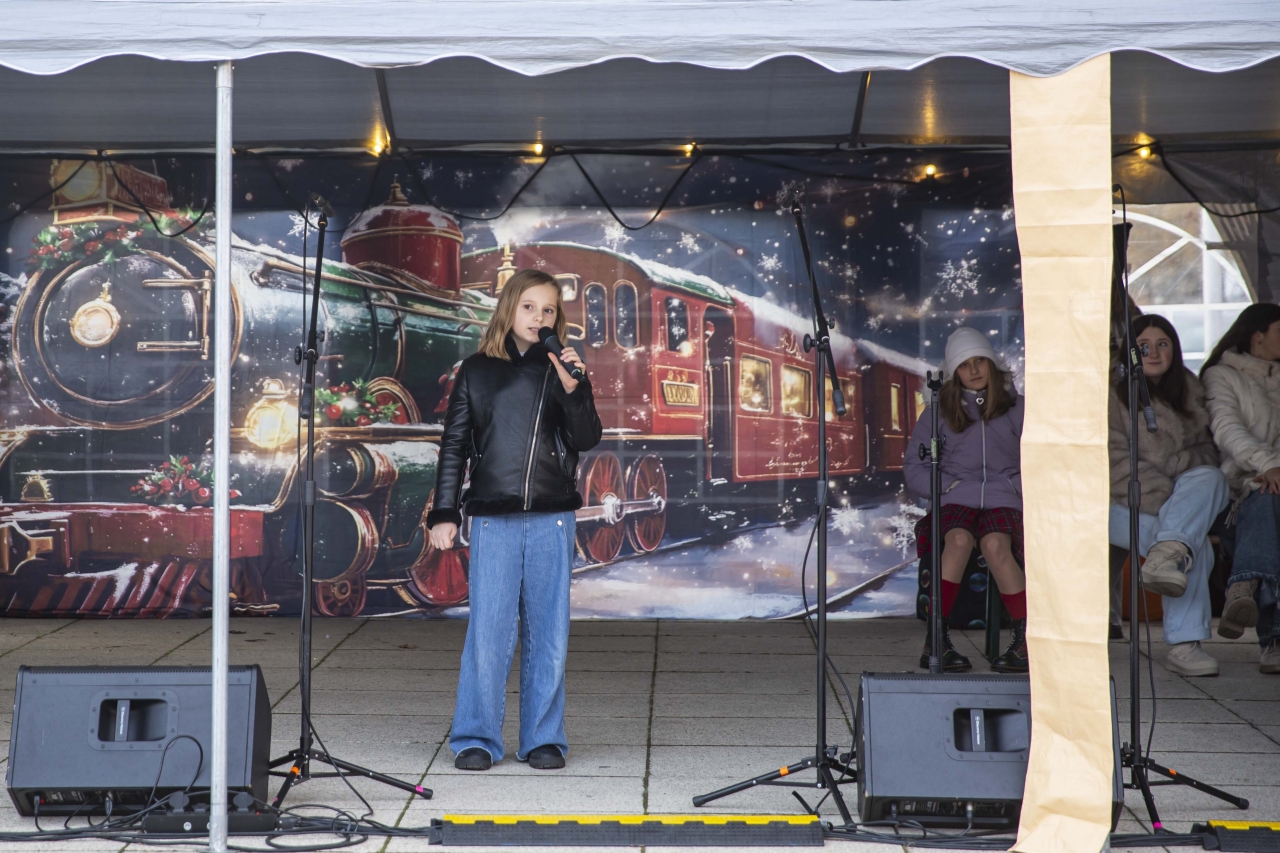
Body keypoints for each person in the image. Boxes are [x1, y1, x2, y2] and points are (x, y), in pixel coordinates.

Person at [426, 269, 603, 770]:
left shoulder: (563, 369)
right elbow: (454, 445)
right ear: (509, 308)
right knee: (489, 634)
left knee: (549, 635)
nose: (538, 317)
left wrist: (574, 388)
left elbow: (587, 438)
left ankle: (543, 737)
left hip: (552, 518)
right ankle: (475, 737)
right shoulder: (477, 370)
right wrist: (444, 511)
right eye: (529, 307)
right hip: (494, 519)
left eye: (548, 310)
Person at [1108, 315, 1226, 677]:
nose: (1155, 353)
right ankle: (1185, 645)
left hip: (1177, 503)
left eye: (1163, 344)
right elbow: (1112, 461)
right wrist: (1171, 498)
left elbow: (1207, 452)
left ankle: (1165, 555)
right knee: (1193, 545)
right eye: (1144, 346)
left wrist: (1180, 491)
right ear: (1130, 351)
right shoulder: (1109, 393)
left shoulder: (1190, 390)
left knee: (1212, 477)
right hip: (1118, 503)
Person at [905, 326, 1027, 673]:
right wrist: (946, 486)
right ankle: (936, 640)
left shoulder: (1019, 408)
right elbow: (914, 466)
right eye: (964, 365)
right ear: (953, 373)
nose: (973, 370)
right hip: (956, 496)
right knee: (958, 540)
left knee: (996, 545)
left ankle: (1025, 641)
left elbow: (1041, 458)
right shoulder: (937, 412)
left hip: (1004, 496)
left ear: (992, 364)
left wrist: (1018, 487)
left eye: (979, 361)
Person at [1201, 302, 1280, 674]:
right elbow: (1226, 428)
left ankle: (1243, 584)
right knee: (1266, 498)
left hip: (1272, 486)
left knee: (1270, 499)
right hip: (1236, 494)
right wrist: (1268, 466)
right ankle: (1274, 639)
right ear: (1257, 335)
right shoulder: (1221, 375)